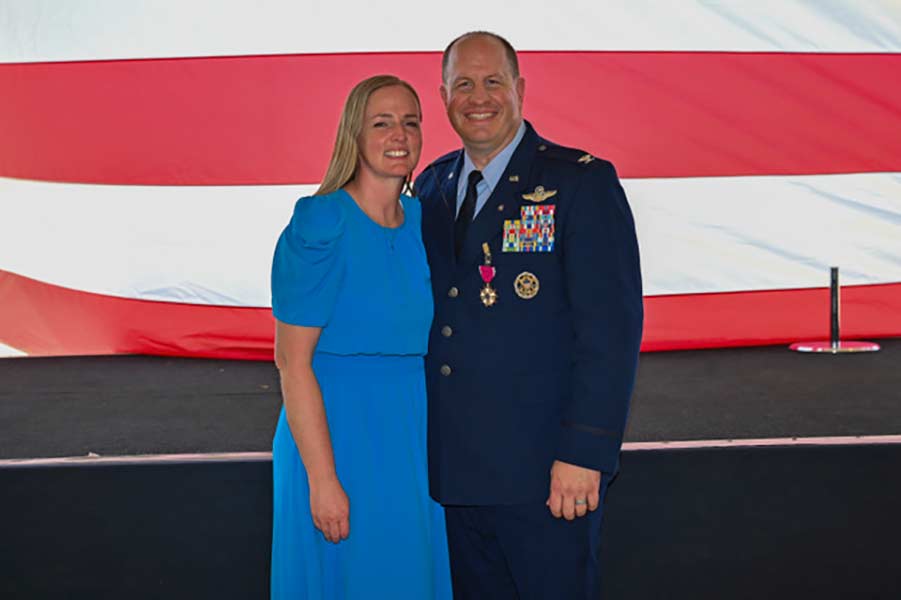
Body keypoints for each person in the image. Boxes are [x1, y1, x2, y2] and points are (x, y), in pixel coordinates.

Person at [413, 32, 643, 599]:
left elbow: (610, 334)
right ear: (443, 97)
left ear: (519, 89)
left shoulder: (579, 182)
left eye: (493, 82)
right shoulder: (431, 187)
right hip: (455, 474)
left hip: (544, 475)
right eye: (463, 84)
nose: (478, 97)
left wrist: (584, 453)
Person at [270, 75, 452, 599]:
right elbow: (292, 363)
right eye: (382, 123)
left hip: (413, 436)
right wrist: (323, 480)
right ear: (354, 134)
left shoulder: (426, 221)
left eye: (410, 122)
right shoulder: (320, 223)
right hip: (338, 437)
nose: (400, 134)